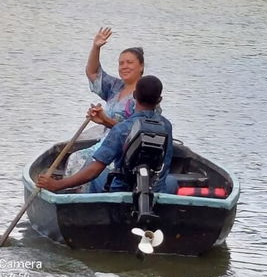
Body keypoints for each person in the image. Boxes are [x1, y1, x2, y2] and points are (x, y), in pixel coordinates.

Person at [38, 75, 177, 194]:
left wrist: (57, 185)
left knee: (97, 178)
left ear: (134, 95)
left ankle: (91, 213)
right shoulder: (166, 126)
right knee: (171, 182)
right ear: (159, 100)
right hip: (155, 189)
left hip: (122, 191)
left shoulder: (122, 128)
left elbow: (93, 170)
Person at [66, 27, 158, 191]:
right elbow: (93, 72)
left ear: (141, 67)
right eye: (121, 63)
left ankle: (87, 196)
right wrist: (96, 47)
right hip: (105, 143)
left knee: (85, 161)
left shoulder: (147, 94)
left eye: (130, 62)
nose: (124, 66)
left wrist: (105, 120)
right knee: (74, 157)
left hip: (127, 151)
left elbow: (137, 131)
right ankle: (75, 198)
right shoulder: (115, 87)